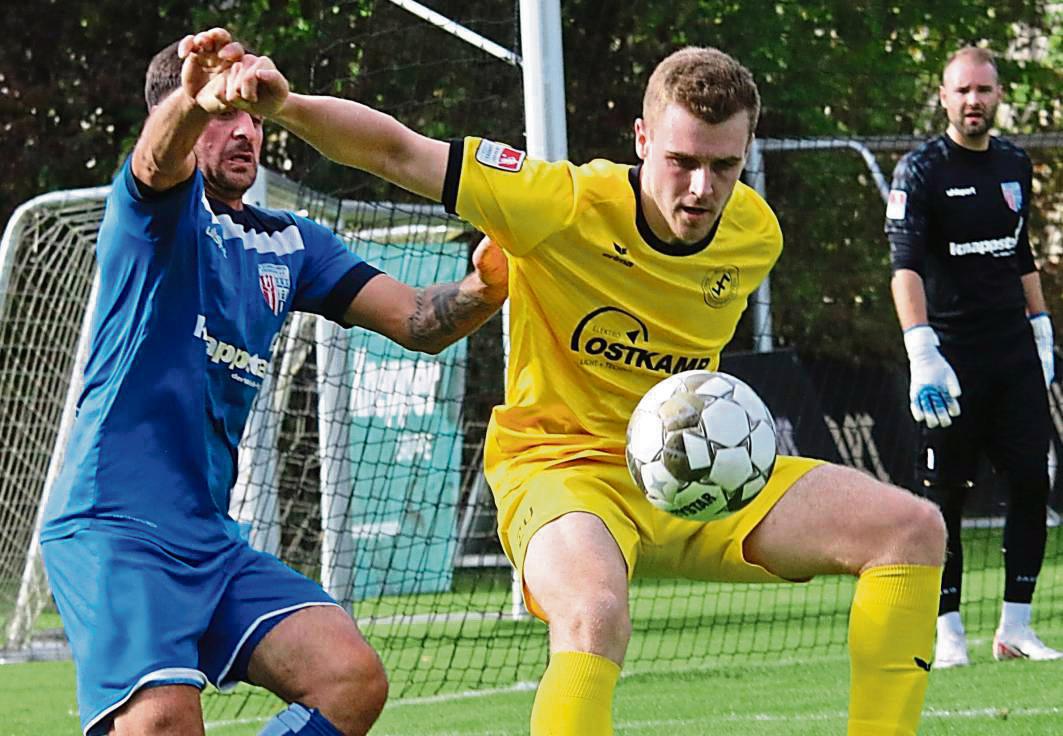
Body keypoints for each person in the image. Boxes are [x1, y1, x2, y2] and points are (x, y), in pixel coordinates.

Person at [216, 31, 947, 735]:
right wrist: (283, 106)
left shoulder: (756, 234)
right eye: (681, 160)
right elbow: (398, 150)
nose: (701, 189)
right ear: (639, 140)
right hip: (560, 469)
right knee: (594, 610)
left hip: (691, 473)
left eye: (723, 166)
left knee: (910, 529)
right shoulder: (556, 203)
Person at [39, 29, 507, 736]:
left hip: (209, 539)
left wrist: (489, 282)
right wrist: (194, 102)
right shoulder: (152, 215)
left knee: (349, 679)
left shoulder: (292, 243)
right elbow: (155, 159)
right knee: (164, 720)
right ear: (184, 112)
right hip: (114, 528)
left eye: (252, 114)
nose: (243, 131)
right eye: (224, 115)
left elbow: (418, 321)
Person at [885, 45, 1060, 669]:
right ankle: (949, 634)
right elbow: (903, 267)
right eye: (962, 91)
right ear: (944, 97)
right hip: (949, 358)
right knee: (943, 499)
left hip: (1012, 353)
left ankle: (1016, 629)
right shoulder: (921, 170)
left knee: (1031, 483)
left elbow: (1020, 254)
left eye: (983, 90)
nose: (973, 101)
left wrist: (1040, 327)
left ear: (998, 96)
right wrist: (921, 349)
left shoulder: (1015, 162)